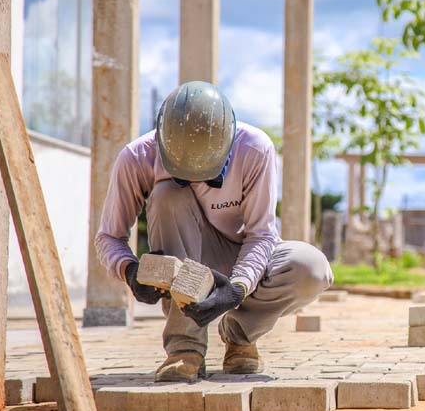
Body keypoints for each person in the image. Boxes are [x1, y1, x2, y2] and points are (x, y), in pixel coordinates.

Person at [95, 81, 333, 382]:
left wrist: (237, 288)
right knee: (167, 195)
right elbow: (109, 237)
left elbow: (261, 235)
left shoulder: (255, 148)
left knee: (311, 269)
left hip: (242, 254)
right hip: (184, 255)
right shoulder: (137, 157)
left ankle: (240, 337)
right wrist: (129, 271)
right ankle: (185, 349)